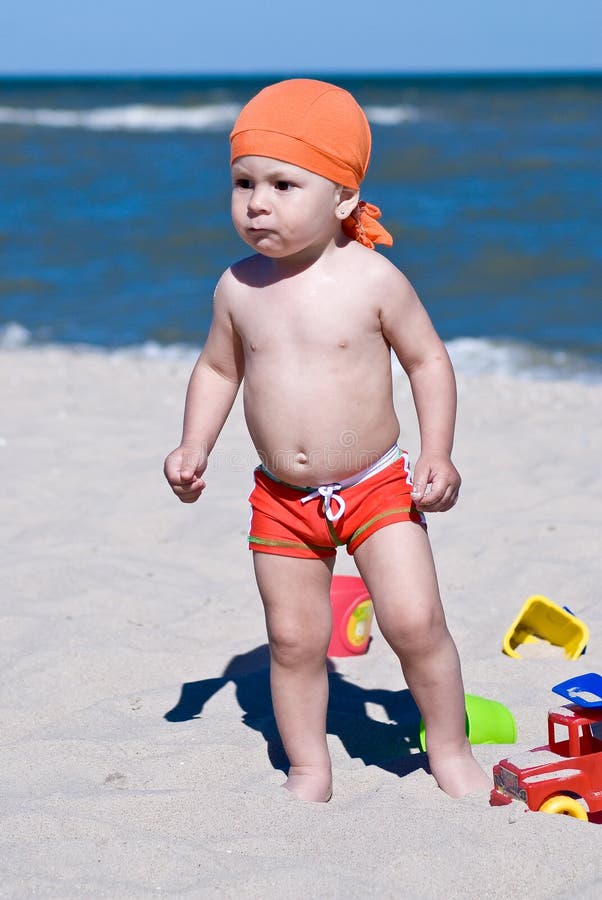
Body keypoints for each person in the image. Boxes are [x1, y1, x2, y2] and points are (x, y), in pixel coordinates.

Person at [164, 78, 491, 803]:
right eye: (243, 182)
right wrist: (194, 446)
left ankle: (451, 747)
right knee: (293, 640)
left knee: (413, 620)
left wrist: (437, 452)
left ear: (343, 197)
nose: (257, 203)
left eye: (283, 183)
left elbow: (428, 360)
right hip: (282, 498)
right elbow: (219, 368)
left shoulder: (374, 279)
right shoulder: (237, 287)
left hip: (377, 484)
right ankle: (309, 767)